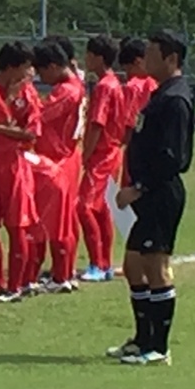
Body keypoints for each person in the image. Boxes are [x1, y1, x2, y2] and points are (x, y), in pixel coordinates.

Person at [113, 30, 195, 365]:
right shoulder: (161, 93)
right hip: (148, 192)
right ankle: (142, 337)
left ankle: (159, 348)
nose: (145, 58)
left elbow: (173, 157)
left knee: (156, 266)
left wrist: (140, 187)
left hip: (160, 192)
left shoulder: (175, 99)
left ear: (170, 58)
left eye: (152, 53)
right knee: (134, 263)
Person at [27, 40, 85, 292]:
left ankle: (61, 274)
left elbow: (38, 114)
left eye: (41, 72)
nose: (40, 78)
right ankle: (65, 271)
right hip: (68, 156)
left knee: (54, 221)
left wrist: (24, 92)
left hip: (58, 160)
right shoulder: (75, 85)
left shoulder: (66, 91)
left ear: (52, 66)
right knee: (64, 219)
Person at [0, 42, 42, 301]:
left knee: (17, 225)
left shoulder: (29, 94)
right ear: (11, 68)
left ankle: (17, 284)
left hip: (14, 165)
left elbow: (31, 132)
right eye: (24, 67)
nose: (28, 73)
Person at [78, 34, 127, 283]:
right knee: (101, 210)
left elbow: (97, 125)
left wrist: (85, 155)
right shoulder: (114, 83)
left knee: (84, 206)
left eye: (89, 54)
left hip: (102, 155)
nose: (86, 58)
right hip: (113, 153)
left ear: (98, 57)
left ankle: (97, 263)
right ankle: (105, 263)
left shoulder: (105, 88)